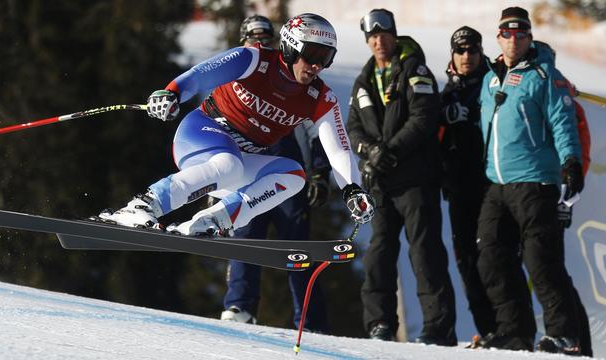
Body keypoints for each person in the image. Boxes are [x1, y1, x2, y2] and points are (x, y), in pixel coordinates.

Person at [96, 11, 374, 259]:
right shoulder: (254, 59)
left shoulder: (319, 97)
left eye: (325, 58)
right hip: (202, 134)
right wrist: (172, 93)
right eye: (311, 55)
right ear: (290, 47)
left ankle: (211, 221)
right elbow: (201, 74)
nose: (316, 66)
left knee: (293, 175)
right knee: (229, 164)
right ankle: (142, 205)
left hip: (239, 157)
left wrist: (353, 189)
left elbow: (338, 149)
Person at [475, 7, 584, 354]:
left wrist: (571, 161)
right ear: (498, 37)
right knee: (491, 255)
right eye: (507, 34)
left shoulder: (544, 75)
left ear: (529, 38)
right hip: (498, 183)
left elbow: (563, 120)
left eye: (520, 34)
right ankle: (515, 331)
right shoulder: (490, 78)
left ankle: (563, 334)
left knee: (541, 260)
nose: (513, 40)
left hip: (535, 181)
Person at [346, 8, 457, 345]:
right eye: (373, 37)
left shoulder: (415, 69)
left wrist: (388, 150)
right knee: (378, 253)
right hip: (381, 183)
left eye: (384, 34)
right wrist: (368, 151)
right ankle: (379, 324)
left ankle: (438, 328)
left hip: (415, 179)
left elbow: (424, 119)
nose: (379, 41)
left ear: (394, 34)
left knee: (424, 253)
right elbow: (352, 127)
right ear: (367, 41)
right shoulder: (364, 79)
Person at [219, 15, 331, 333]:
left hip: (287, 171)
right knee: (246, 238)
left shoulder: (294, 83)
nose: (259, 46)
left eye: (265, 41)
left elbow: (317, 131)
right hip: (246, 173)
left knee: (296, 246)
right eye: (252, 40)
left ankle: (309, 322)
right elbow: (214, 134)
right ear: (242, 44)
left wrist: (320, 173)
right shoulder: (231, 78)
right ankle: (239, 306)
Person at [439, 26, 500, 338]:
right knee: (467, 265)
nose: (466, 56)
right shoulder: (447, 92)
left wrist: (474, 116)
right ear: (452, 54)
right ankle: (489, 333)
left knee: (494, 260)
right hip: (459, 191)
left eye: (472, 50)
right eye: (460, 51)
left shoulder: (495, 80)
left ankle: (511, 332)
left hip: (494, 189)